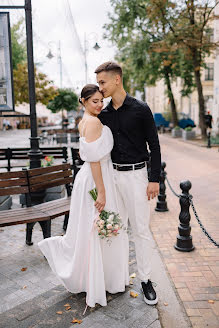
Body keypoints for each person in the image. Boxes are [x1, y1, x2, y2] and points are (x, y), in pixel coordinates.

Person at [38, 84, 129, 310]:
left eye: (101, 100)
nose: (99, 105)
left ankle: (99, 277)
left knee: (96, 228)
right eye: (94, 101)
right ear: (83, 101)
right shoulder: (94, 122)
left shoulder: (84, 121)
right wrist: (102, 191)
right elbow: (95, 160)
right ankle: (100, 279)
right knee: (97, 227)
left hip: (91, 177)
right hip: (96, 179)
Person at [95, 61, 161, 305]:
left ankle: (145, 280)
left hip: (137, 177)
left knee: (141, 230)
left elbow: (154, 146)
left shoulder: (141, 109)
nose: (100, 88)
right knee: (116, 229)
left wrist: (154, 179)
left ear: (117, 80)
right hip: (113, 177)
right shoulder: (104, 114)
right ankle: (117, 277)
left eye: (103, 82)